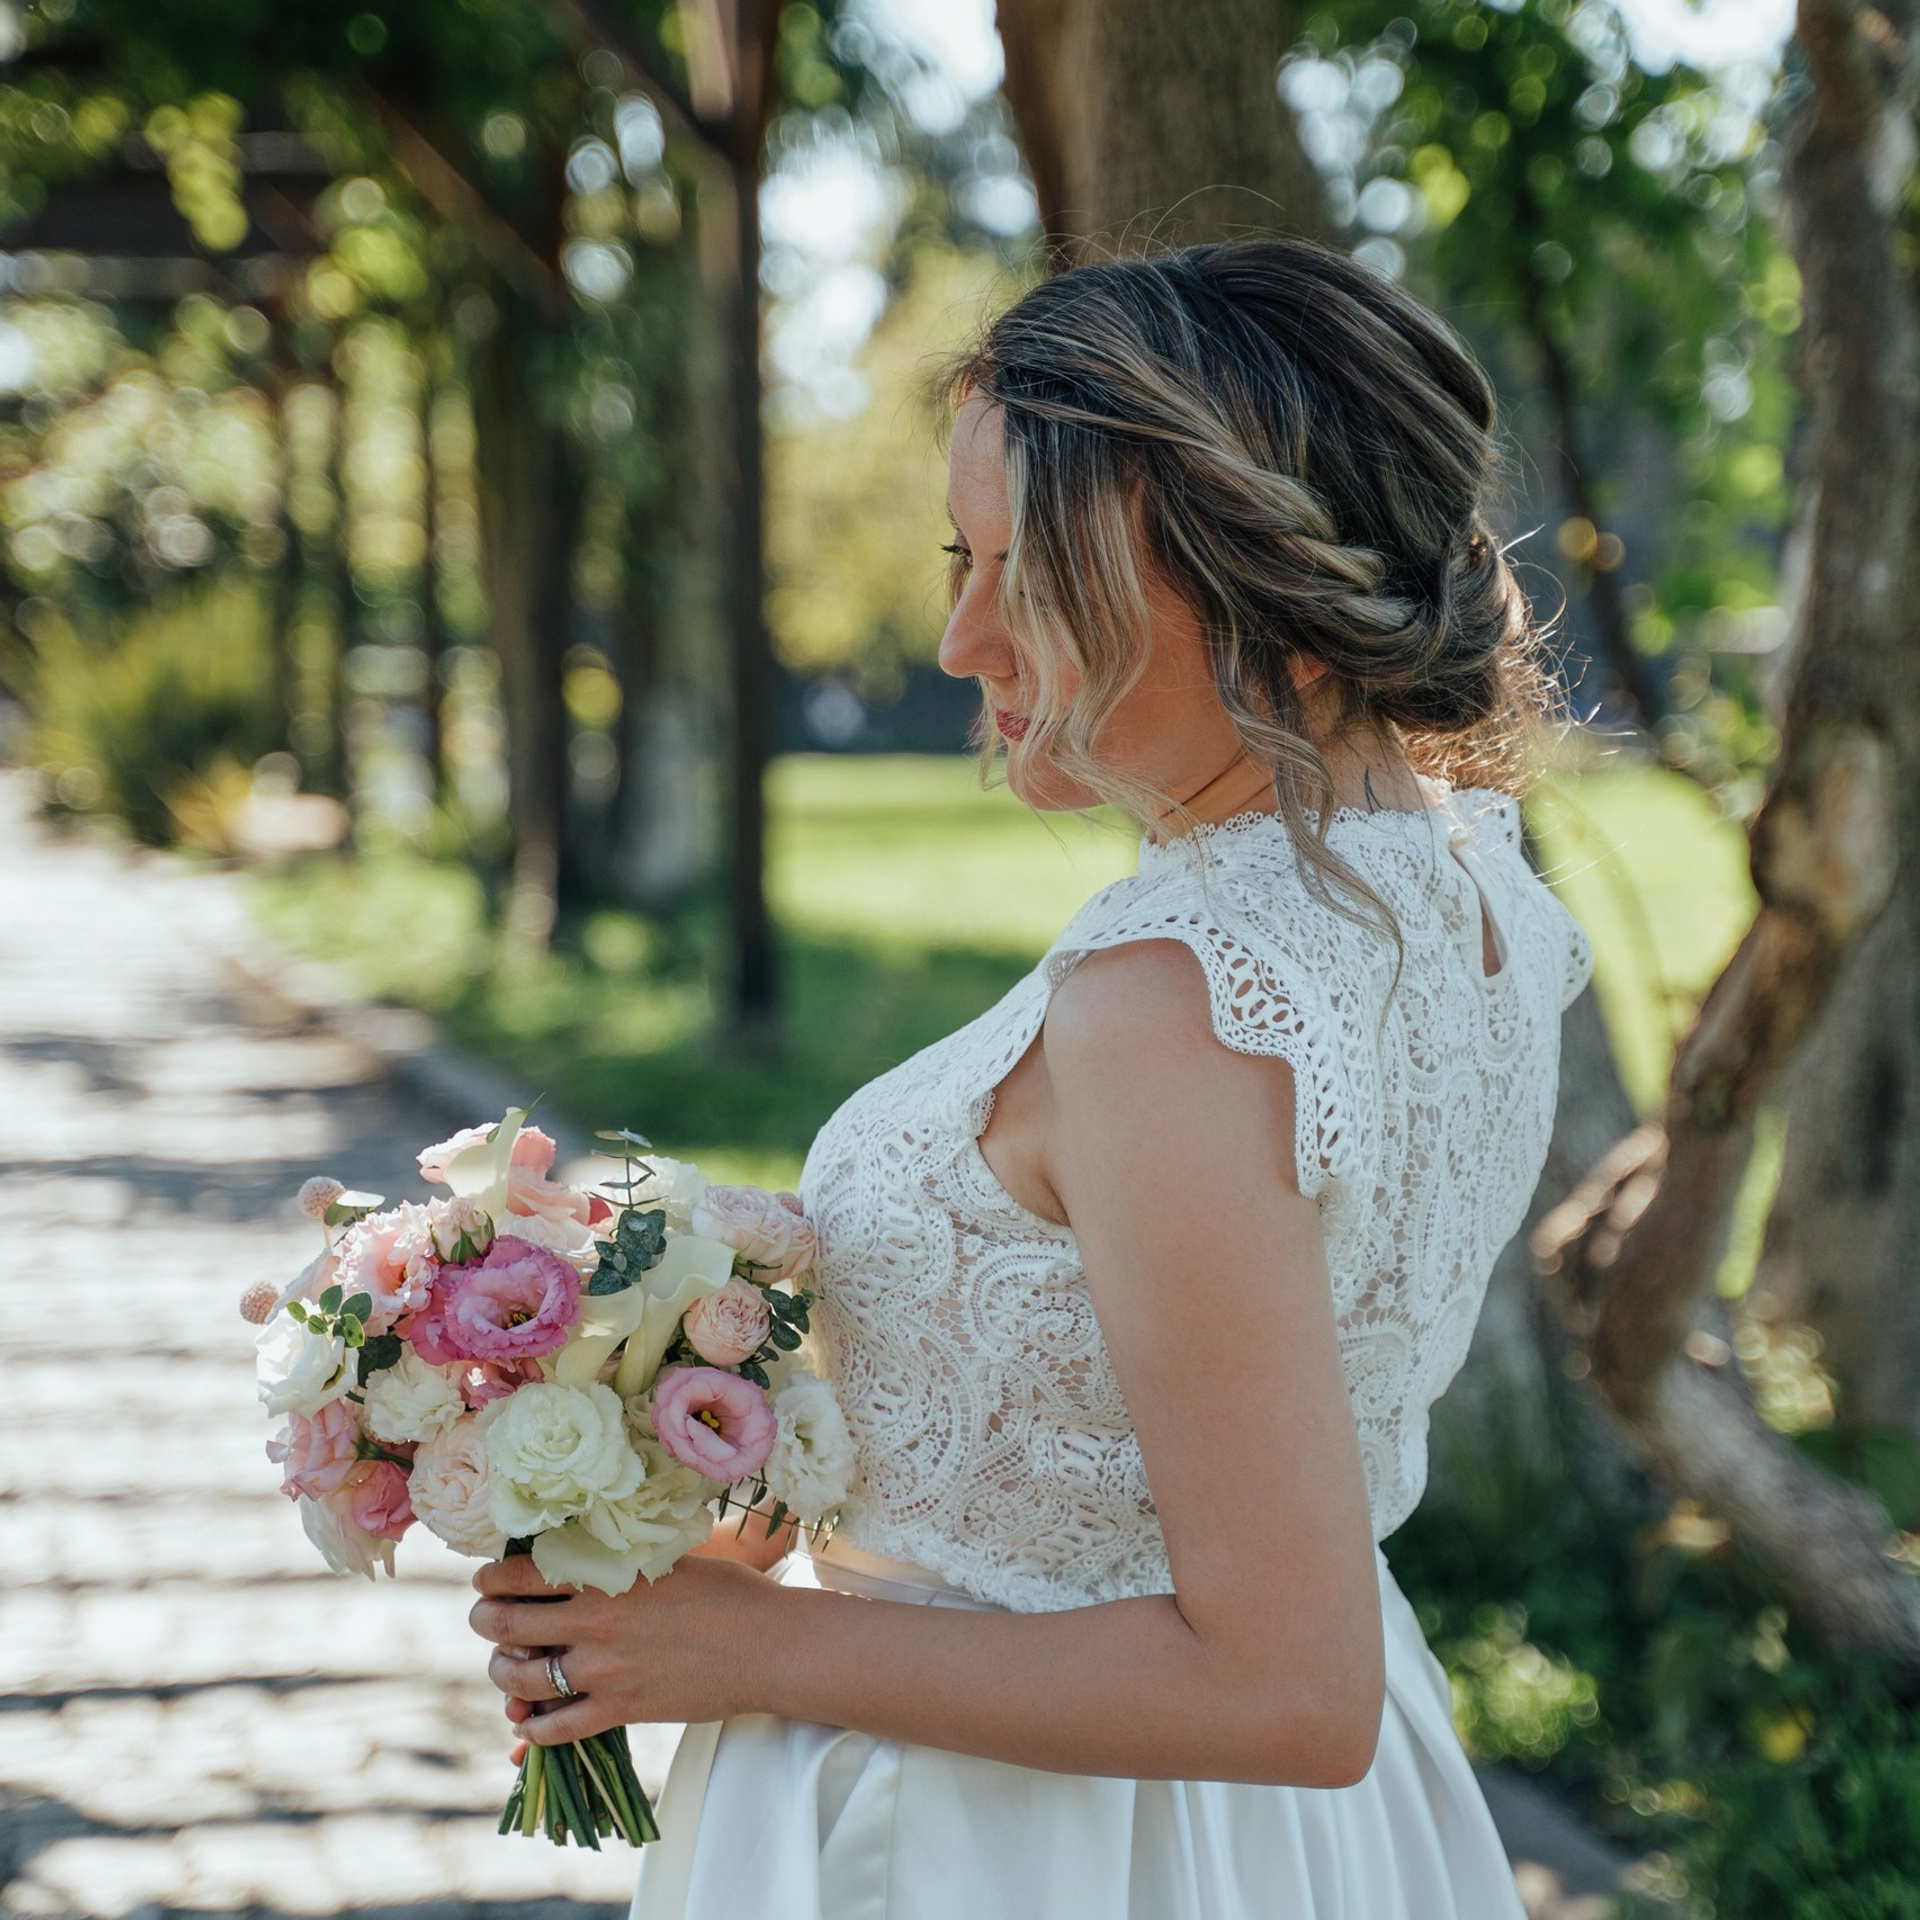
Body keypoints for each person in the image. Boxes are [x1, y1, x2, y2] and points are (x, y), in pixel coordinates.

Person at [467, 235, 1595, 1919]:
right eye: (963, 557)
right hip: (1291, 1857)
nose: (963, 639)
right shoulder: (1474, 903)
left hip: (1015, 1842)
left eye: (1034, 573)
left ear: (1257, 585)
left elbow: (1283, 1687)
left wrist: (753, 1639)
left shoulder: (1177, 1001)